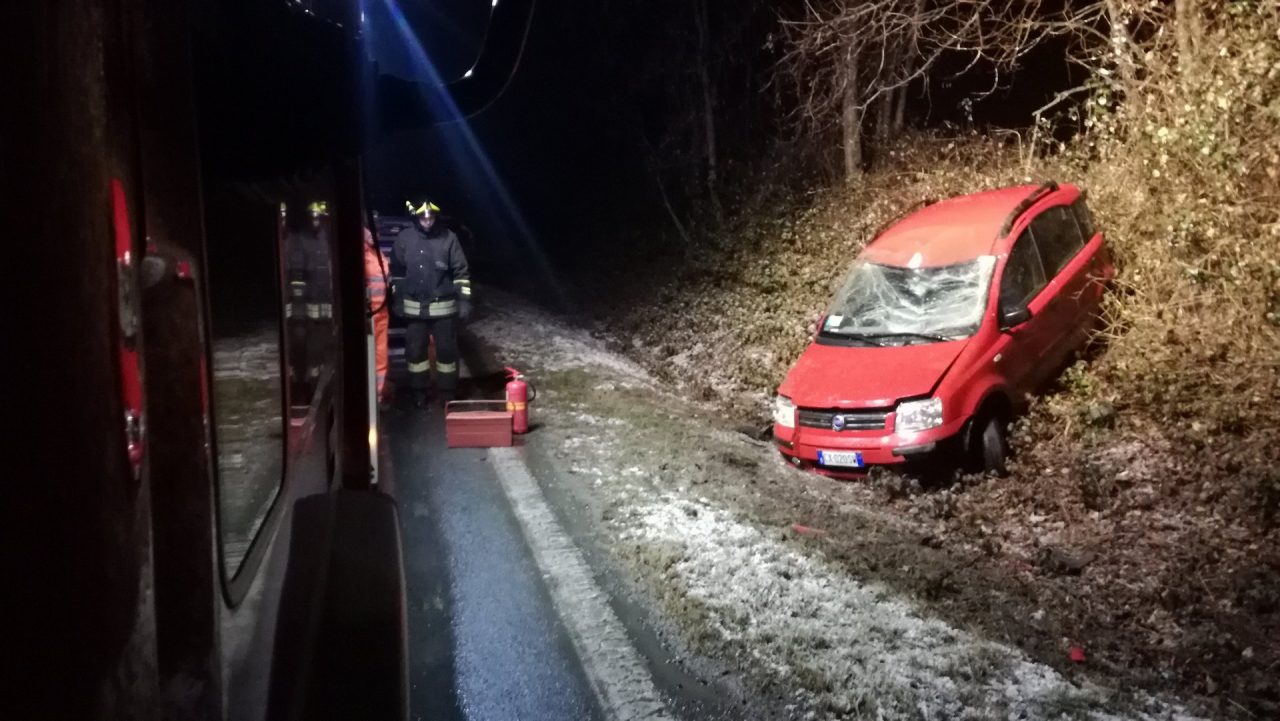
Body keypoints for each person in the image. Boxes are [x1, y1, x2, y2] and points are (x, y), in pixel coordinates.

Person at [392, 199, 472, 408]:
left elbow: (461, 272)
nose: (427, 220)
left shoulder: (449, 238)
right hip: (414, 310)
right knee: (415, 353)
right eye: (423, 216)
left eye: (431, 216)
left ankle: (447, 391)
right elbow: (397, 273)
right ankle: (419, 390)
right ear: (416, 218)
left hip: (443, 309)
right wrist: (398, 300)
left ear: (436, 217)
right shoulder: (404, 238)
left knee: (446, 352)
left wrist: (463, 301)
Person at [364, 226, 391, 408]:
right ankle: (366, 398)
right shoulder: (361, 254)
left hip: (381, 313)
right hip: (367, 316)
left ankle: (377, 396)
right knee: (367, 357)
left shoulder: (377, 253)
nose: (374, 236)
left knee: (381, 356)